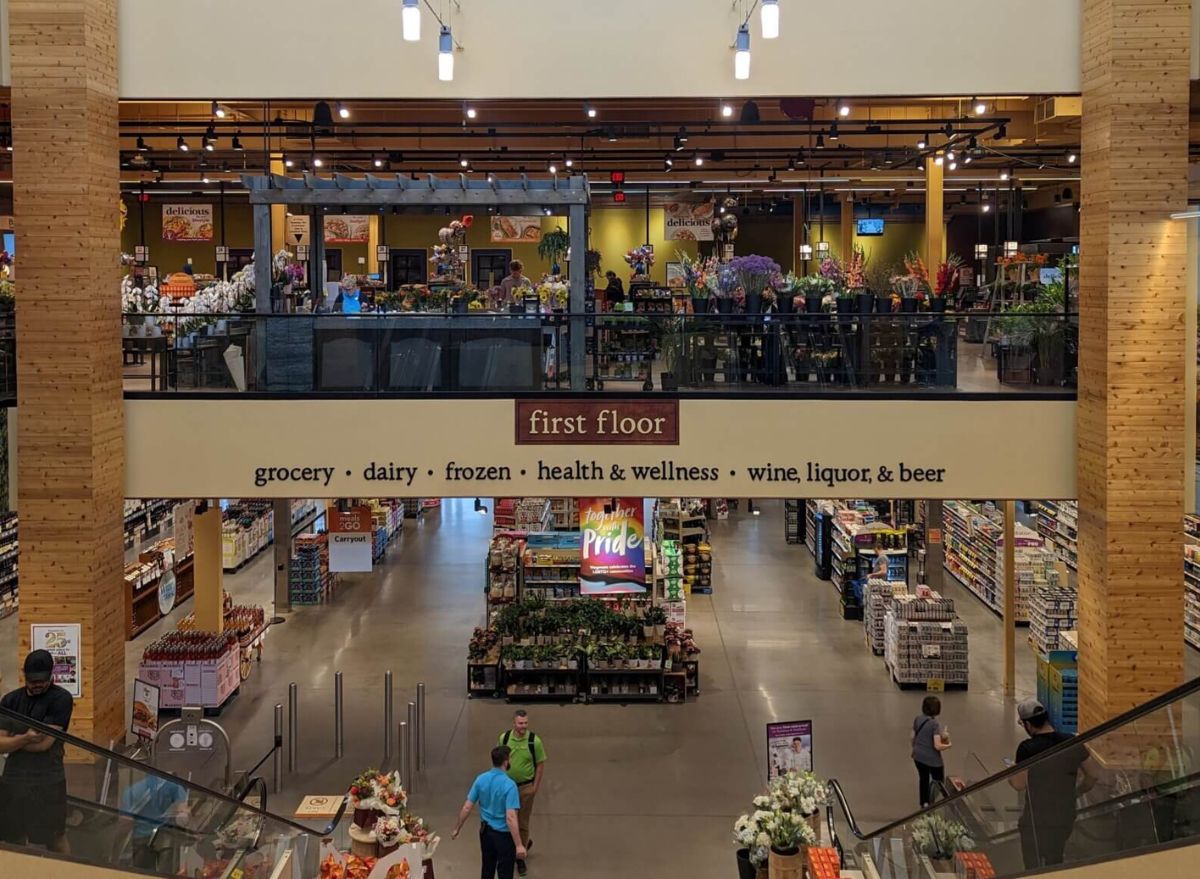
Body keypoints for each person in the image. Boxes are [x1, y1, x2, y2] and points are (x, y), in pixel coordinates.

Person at [0, 649, 75, 853]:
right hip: (13, 780)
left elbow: (44, 745)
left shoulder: (61, 699)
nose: (37, 685)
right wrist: (25, 738)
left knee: (54, 838)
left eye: (41, 680)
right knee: (12, 839)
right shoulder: (10, 701)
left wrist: (12, 741)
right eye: (32, 681)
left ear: (51, 675)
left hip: (48, 780)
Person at [1010, 698, 1094, 869]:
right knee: (1055, 858)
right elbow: (1093, 775)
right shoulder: (1070, 741)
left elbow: (1018, 784)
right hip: (1064, 816)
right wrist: (1077, 792)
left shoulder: (1027, 748)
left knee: (1032, 865)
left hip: (1036, 818)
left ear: (1028, 725)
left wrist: (1011, 771)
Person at [451, 746, 525, 879]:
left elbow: (467, 807)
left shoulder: (481, 779)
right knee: (505, 872)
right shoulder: (509, 785)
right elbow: (511, 817)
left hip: (486, 834)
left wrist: (457, 827)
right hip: (504, 836)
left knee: (487, 868)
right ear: (506, 762)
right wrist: (519, 845)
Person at [498, 709, 545, 876]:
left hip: (525, 788)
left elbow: (540, 764)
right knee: (508, 820)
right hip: (508, 787)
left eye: (525, 723)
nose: (523, 726)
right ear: (514, 723)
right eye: (520, 723)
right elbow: (500, 763)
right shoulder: (504, 739)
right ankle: (511, 849)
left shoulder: (534, 741)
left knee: (522, 822)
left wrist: (535, 787)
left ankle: (520, 857)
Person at [120, 773, 189, 872]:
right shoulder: (173, 786)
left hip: (141, 839)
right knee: (167, 873)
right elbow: (184, 815)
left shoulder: (131, 791)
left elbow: (125, 822)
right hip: (165, 835)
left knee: (143, 873)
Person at [912, 695, 952, 808]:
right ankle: (934, 803)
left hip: (918, 756)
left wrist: (916, 748)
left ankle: (924, 803)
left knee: (923, 778)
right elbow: (937, 745)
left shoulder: (918, 719)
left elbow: (912, 737)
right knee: (938, 781)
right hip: (932, 760)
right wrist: (948, 744)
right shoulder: (934, 724)